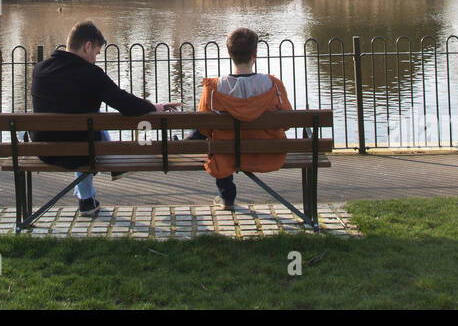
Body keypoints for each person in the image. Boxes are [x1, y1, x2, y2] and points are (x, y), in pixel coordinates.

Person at [31, 21, 179, 217]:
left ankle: (88, 198)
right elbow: (125, 103)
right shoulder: (91, 74)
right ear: (87, 46)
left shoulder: (40, 70)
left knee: (88, 120)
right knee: (90, 125)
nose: (95, 60)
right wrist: (154, 107)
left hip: (45, 150)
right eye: (96, 54)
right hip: (82, 153)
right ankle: (113, 168)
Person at [190, 27, 292, 211]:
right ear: (255, 53)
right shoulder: (273, 85)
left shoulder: (213, 89)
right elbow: (286, 124)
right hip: (267, 154)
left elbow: (204, 130)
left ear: (229, 53)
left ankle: (227, 197)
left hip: (227, 156)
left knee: (216, 140)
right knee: (218, 138)